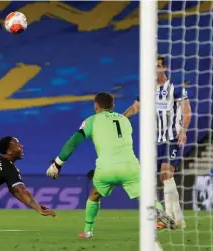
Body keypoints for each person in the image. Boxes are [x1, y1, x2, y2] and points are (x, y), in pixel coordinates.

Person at [46, 92, 175, 238]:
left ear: (95, 106)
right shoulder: (124, 121)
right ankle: (160, 214)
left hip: (106, 168)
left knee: (94, 195)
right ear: (113, 106)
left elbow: (73, 143)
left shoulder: (91, 121)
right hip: (131, 166)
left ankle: (88, 231)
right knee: (147, 197)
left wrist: (57, 164)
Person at [123, 55, 191, 228]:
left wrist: (183, 129)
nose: (155, 70)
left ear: (164, 68)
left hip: (171, 137)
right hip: (154, 141)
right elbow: (135, 107)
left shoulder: (175, 89)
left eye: (158, 66)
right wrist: (121, 118)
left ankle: (169, 217)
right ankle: (178, 219)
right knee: (160, 178)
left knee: (166, 174)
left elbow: (187, 111)